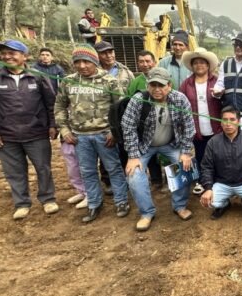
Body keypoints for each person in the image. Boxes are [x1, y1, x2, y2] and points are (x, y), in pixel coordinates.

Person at [0, 40, 59, 220]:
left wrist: (53, 125)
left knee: (43, 168)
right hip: (7, 135)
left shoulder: (37, 76)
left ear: (25, 56)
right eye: (4, 53)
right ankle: (22, 203)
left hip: (36, 133)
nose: (7, 56)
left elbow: (50, 102)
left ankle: (48, 199)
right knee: (14, 171)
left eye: (12, 53)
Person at [54, 45, 130, 223]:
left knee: (114, 168)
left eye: (86, 61)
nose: (81, 66)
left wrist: (114, 132)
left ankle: (121, 201)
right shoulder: (68, 82)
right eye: (77, 62)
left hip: (104, 134)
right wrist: (64, 129)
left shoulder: (109, 81)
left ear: (94, 61)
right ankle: (95, 203)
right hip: (80, 136)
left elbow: (120, 108)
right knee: (87, 171)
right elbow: (59, 107)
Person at [123, 67, 196, 231]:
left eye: (161, 85)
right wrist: (133, 155)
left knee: (185, 166)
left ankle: (180, 206)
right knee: (134, 175)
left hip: (171, 144)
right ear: (148, 85)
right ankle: (147, 213)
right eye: (153, 85)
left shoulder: (179, 99)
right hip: (144, 146)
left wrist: (185, 152)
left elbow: (189, 127)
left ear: (169, 85)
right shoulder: (138, 100)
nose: (157, 89)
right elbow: (127, 127)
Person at [199, 106, 242, 219]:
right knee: (207, 202)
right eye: (225, 120)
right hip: (222, 183)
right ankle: (224, 204)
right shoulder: (213, 142)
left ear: (239, 121)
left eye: (232, 119)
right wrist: (208, 188)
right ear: (221, 122)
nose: (228, 123)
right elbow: (206, 167)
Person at [180, 47, 222, 194]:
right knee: (200, 154)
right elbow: (181, 105)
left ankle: (217, 180)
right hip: (196, 127)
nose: (199, 65)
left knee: (216, 154)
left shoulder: (217, 81)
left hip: (215, 126)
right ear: (192, 66)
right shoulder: (186, 84)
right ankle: (202, 181)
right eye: (196, 63)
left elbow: (224, 101)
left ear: (208, 65)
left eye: (202, 62)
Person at [126, 50, 167, 189]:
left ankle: (169, 179)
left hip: (164, 125)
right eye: (141, 61)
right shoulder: (136, 82)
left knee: (168, 155)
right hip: (144, 128)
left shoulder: (166, 78)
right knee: (149, 155)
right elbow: (128, 102)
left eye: (148, 61)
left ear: (154, 62)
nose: (145, 64)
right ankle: (156, 180)